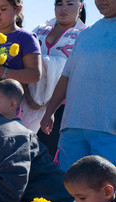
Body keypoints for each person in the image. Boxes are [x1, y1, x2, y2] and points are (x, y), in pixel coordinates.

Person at [40, 0, 116, 172]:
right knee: (70, 188)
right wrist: (49, 110)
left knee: (106, 191)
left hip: (109, 129)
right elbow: (67, 76)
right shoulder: (85, 34)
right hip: (72, 127)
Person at [21, 0, 85, 156]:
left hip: (62, 106)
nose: (63, 8)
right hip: (27, 100)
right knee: (21, 149)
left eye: (70, 4)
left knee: (46, 155)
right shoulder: (39, 30)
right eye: (59, 4)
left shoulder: (84, 35)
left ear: (80, 7)